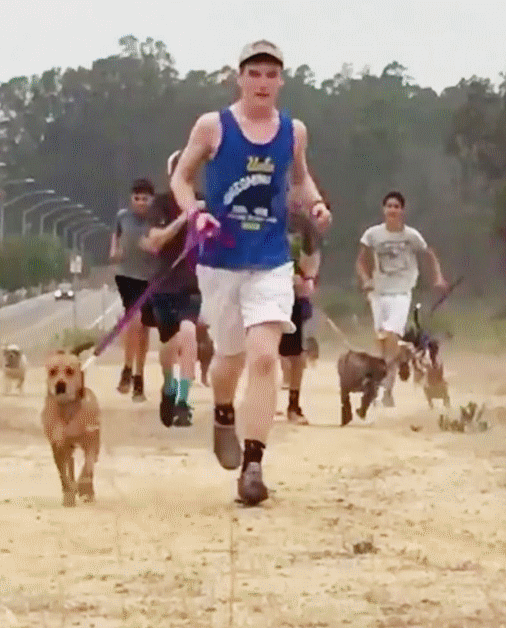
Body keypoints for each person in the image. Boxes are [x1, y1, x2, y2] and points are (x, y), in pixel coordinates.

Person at [169, 40, 331, 507]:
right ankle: (223, 412)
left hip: (271, 258)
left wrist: (315, 204)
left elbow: (298, 179)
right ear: (239, 78)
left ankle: (253, 465)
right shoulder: (213, 126)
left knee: (265, 357)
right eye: (254, 74)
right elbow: (182, 177)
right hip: (220, 260)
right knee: (229, 358)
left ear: (281, 81)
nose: (262, 83)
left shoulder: (293, 132)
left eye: (271, 75)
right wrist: (195, 214)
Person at [356, 191, 448, 408]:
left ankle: (387, 385)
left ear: (402, 211)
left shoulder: (411, 236)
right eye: (389, 206)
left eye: (396, 206)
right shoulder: (373, 235)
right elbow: (361, 261)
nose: (392, 210)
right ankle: (386, 388)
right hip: (378, 293)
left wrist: (438, 277)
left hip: (401, 292)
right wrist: (366, 279)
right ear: (383, 209)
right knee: (382, 344)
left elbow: (429, 254)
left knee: (390, 337)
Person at [142, 150, 203, 428]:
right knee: (168, 345)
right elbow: (155, 241)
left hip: (192, 283)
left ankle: (183, 400)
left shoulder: (205, 203)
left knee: (189, 334)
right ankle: (168, 387)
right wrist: (183, 221)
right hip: (164, 282)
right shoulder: (161, 206)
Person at [110, 178, 159, 402]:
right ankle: (127, 369)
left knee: (144, 329)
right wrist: (115, 250)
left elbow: (163, 243)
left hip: (149, 278)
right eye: (137, 198)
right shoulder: (123, 217)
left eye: (145, 199)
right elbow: (116, 234)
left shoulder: (156, 220)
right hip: (127, 276)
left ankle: (139, 377)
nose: (140, 203)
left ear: (152, 200)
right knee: (134, 321)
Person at [278, 190, 324, 425]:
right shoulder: (268, 217)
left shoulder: (305, 226)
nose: (294, 201)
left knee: (296, 353)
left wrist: (308, 278)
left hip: (295, 294)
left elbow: (313, 254)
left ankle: (293, 405)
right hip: (268, 289)